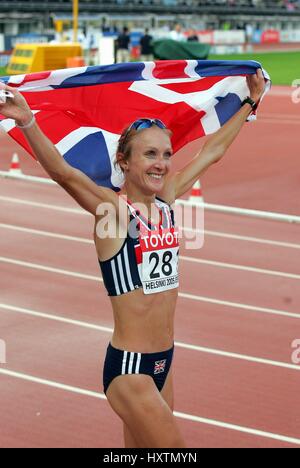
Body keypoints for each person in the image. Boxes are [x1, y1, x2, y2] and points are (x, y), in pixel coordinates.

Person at [0, 69, 265, 448]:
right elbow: (64, 173)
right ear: (123, 162)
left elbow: (212, 152)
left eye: (166, 155)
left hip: (164, 364)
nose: (161, 164)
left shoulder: (167, 200)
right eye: (150, 154)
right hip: (129, 370)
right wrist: (27, 121)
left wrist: (249, 103)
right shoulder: (114, 212)